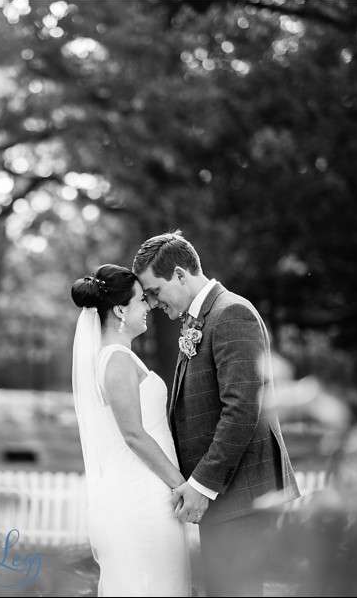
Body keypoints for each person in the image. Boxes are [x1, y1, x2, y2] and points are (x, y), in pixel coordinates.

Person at [133, 230, 301, 597]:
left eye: (155, 292)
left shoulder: (231, 313)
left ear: (180, 274)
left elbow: (242, 409)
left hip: (241, 493)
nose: (152, 303)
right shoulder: (201, 319)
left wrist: (201, 485)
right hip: (228, 494)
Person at [70, 264, 190, 597]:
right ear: (121, 308)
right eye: (141, 300)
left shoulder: (119, 357)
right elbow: (133, 434)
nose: (149, 306)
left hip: (148, 491)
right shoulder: (116, 359)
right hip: (141, 498)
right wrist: (182, 485)